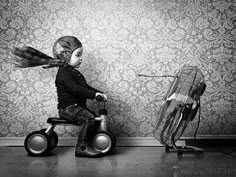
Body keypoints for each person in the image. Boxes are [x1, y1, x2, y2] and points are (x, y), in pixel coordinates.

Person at [12, 36, 107, 157]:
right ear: (66, 56)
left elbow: (85, 87)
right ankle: (82, 148)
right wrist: (94, 95)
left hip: (77, 107)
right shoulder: (63, 73)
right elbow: (75, 89)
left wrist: (99, 93)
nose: (81, 58)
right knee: (89, 119)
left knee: (94, 117)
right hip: (69, 108)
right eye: (78, 55)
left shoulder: (73, 72)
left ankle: (91, 141)